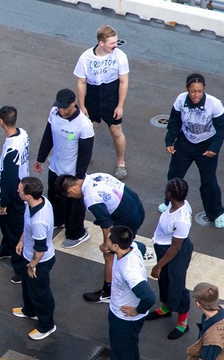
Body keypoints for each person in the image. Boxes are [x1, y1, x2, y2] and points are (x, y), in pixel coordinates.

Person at [59, 173, 145, 303]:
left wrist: (106, 245)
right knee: (123, 245)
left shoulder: (90, 197)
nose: (73, 197)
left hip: (126, 218)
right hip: (137, 208)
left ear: (71, 190)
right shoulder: (97, 176)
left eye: (70, 196)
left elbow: (107, 225)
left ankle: (108, 292)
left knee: (109, 254)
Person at [102, 226, 156, 360]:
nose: (106, 242)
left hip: (125, 319)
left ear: (116, 245)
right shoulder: (131, 246)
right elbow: (141, 246)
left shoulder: (129, 270)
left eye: (109, 241)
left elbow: (149, 297)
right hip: (120, 315)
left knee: (121, 358)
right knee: (129, 352)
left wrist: (136, 310)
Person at [162, 73, 224, 227]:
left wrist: (214, 148)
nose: (196, 94)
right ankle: (170, 203)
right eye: (193, 91)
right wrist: (170, 141)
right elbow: (174, 122)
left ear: (204, 89)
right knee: (174, 175)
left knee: (208, 181)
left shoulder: (214, 104)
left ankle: (216, 212)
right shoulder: (180, 99)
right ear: (187, 89)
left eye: (200, 91)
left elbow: (223, 127)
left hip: (206, 147)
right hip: (184, 143)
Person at [34, 88, 94, 248]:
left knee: (73, 206)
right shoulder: (54, 113)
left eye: (64, 107)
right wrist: (40, 158)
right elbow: (48, 136)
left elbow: (85, 154)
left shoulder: (84, 125)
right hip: (55, 167)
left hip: (72, 173)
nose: (61, 110)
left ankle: (78, 233)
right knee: (54, 197)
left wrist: (79, 178)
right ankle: (58, 221)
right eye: (59, 106)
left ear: (73, 104)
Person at [74, 25, 129, 179]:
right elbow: (81, 83)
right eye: (112, 43)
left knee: (116, 131)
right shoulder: (85, 58)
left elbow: (124, 82)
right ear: (101, 43)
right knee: (89, 129)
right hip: (92, 95)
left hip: (111, 96)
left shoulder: (120, 56)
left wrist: (120, 105)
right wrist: (83, 106)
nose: (115, 45)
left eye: (116, 42)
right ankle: (86, 157)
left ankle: (121, 163)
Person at [147, 178, 194, 340]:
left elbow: (175, 248)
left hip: (174, 252)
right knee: (165, 281)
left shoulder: (181, 220)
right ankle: (166, 308)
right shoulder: (175, 204)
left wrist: (158, 266)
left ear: (169, 194)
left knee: (177, 285)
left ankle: (183, 324)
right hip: (164, 248)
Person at [0, 105, 30, 284]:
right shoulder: (23, 134)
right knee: (6, 226)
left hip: (14, 197)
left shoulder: (11, 150)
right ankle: (5, 249)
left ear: (1, 121)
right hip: (20, 190)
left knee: (15, 231)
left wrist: (4, 203)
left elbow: (10, 179)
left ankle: (21, 269)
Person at [14, 177, 56, 340]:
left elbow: (40, 249)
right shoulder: (38, 201)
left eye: (20, 188)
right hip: (29, 255)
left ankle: (47, 325)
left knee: (40, 293)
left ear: (29, 195)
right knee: (28, 286)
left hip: (39, 261)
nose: (18, 190)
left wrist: (32, 265)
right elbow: (27, 226)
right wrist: (22, 240)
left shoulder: (39, 221)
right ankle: (29, 311)